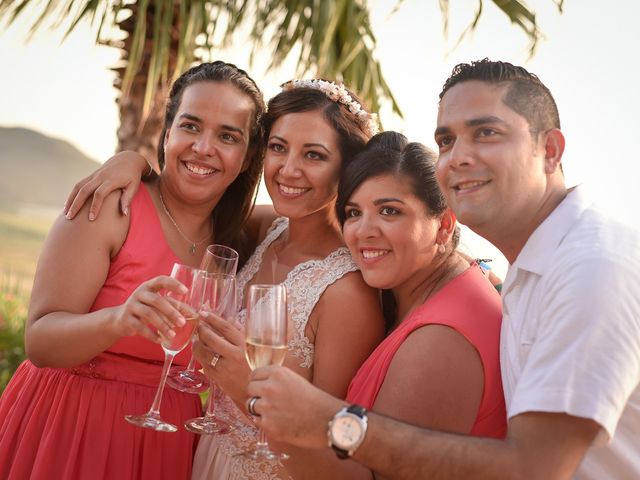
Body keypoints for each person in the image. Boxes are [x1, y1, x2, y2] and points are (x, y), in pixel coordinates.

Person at [246, 59, 640, 479]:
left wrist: (329, 422)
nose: (458, 157)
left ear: (550, 150)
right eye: (447, 140)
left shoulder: (590, 270)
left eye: (486, 133)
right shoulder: (525, 271)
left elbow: (534, 468)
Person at [61, 78, 387, 479]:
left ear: (349, 168)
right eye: (278, 147)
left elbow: (334, 460)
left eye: (314, 155)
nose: (288, 169)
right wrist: (132, 160)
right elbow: (184, 207)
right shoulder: (263, 231)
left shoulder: (348, 292)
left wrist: (243, 386)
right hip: (202, 457)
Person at [0, 60, 266, 480]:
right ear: (168, 132)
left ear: (249, 154)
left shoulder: (241, 234)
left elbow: (309, 217)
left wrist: (133, 157)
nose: (203, 147)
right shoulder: (111, 204)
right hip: (71, 427)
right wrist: (118, 320)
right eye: (190, 126)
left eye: (227, 136)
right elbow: (39, 341)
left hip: (167, 442)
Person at [247, 130, 505, 480]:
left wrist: (285, 413)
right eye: (353, 212)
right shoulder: (433, 282)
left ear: (444, 224)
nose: (363, 231)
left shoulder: (441, 339)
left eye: (389, 211)